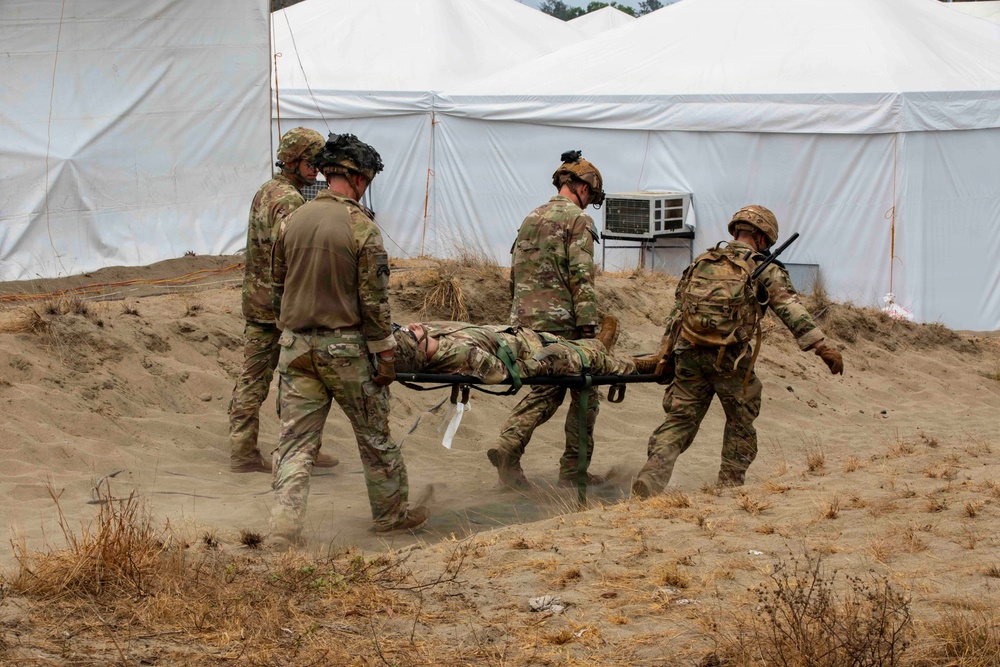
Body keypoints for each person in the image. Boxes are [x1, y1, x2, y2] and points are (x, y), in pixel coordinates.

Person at [269, 133, 428, 547]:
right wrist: (385, 354)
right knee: (374, 438)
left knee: (295, 443)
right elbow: (374, 302)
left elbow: (277, 286)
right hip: (346, 350)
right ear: (357, 178)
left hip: (296, 346)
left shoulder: (292, 220)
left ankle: (284, 528)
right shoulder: (362, 227)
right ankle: (391, 517)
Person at [631, 205, 844, 498]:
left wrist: (665, 354)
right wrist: (822, 347)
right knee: (740, 422)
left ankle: (650, 477)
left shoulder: (702, 261)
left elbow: (677, 313)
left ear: (736, 230)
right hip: (730, 361)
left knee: (679, 421)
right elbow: (789, 308)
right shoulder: (763, 267)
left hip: (689, 353)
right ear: (760, 236)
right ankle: (729, 486)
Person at [488, 150, 607, 490]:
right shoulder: (578, 220)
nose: (588, 203)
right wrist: (588, 328)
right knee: (586, 391)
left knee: (545, 389)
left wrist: (517, 316)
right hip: (562, 323)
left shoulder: (531, 217)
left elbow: (514, 274)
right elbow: (582, 276)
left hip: (524, 322)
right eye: (591, 196)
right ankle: (572, 471)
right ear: (582, 188)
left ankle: (509, 449)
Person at [228, 127, 337, 473]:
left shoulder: (267, 191)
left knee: (255, 378)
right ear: (293, 160)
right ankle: (283, 451)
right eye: (311, 163)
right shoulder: (288, 201)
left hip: (262, 302)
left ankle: (252, 450)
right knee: (293, 383)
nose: (316, 171)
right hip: (281, 307)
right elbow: (294, 253)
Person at [391, 316, 634, 381]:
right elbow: (506, 372)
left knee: (590, 347)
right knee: (596, 361)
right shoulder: (463, 357)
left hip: (526, 337)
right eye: (410, 333)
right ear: (418, 351)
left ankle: (601, 344)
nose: (411, 326)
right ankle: (641, 365)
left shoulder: (429, 331)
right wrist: (543, 362)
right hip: (534, 354)